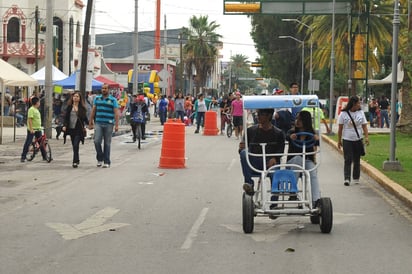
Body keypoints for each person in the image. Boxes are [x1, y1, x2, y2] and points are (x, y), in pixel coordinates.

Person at [239, 108, 285, 195]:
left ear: (269, 116)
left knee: (275, 174)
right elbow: (243, 148)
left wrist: (275, 158)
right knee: (244, 153)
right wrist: (241, 148)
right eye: (257, 114)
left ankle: (274, 203)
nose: (257, 116)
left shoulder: (278, 133)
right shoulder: (250, 131)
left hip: (270, 163)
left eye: (260, 114)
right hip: (254, 161)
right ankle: (249, 184)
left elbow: (280, 150)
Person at [286, 110, 321, 205]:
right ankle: (292, 191)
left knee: (312, 171)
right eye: (296, 118)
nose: (297, 121)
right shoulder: (292, 132)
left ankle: (316, 200)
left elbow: (318, 143)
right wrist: (290, 137)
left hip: (307, 161)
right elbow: (286, 136)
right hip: (292, 162)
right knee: (298, 158)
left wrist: (317, 139)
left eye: (300, 119)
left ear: (306, 120)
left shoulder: (312, 134)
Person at [337, 96, 369, 186]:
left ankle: (356, 178)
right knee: (348, 159)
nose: (360, 105)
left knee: (357, 159)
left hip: (358, 139)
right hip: (347, 139)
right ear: (353, 104)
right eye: (358, 103)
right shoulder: (343, 114)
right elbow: (340, 129)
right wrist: (339, 141)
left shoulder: (361, 113)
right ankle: (347, 178)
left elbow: (364, 126)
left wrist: (366, 137)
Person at [89, 84, 120, 168]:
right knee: (96, 141)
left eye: (105, 88)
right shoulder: (97, 99)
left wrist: (116, 125)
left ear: (108, 90)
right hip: (98, 122)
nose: (104, 90)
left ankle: (107, 161)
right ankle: (100, 158)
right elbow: (93, 111)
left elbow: (116, 113)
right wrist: (90, 122)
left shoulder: (113, 100)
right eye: (103, 88)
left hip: (109, 123)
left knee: (107, 143)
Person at [62, 91, 89, 168]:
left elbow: (84, 118)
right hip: (71, 128)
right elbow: (66, 117)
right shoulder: (69, 107)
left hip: (78, 129)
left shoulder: (82, 108)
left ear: (80, 98)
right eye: (74, 96)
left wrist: (89, 124)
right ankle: (77, 159)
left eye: (77, 96)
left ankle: (75, 161)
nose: (75, 98)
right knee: (74, 145)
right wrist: (64, 125)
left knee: (76, 144)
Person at [20, 97, 47, 162]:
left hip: (38, 129)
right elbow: (30, 120)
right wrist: (31, 129)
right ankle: (23, 156)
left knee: (41, 143)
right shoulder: (31, 109)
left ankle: (45, 156)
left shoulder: (36, 110)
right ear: (37, 102)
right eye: (39, 102)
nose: (39, 103)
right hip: (32, 129)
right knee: (28, 142)